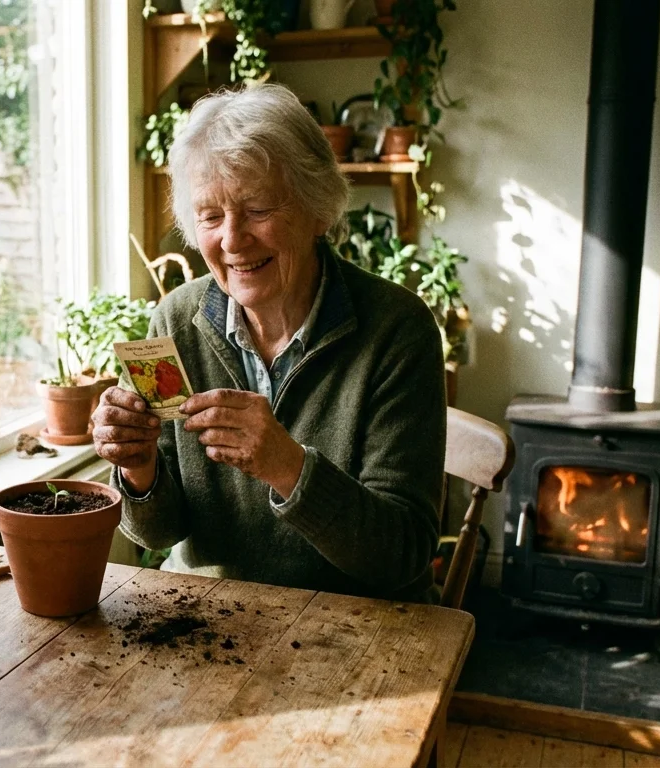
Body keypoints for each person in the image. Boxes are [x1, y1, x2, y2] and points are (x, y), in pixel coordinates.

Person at [92, 84, 446, 602]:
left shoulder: (396, 329)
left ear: (318, 210)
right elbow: (157, 534)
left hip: (359, 626)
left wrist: (288, 466)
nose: (232, 240)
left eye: (258, 209)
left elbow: (402, 554)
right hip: (212, 613)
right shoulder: (178, 319)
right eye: (211, 216)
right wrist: (137, 466)